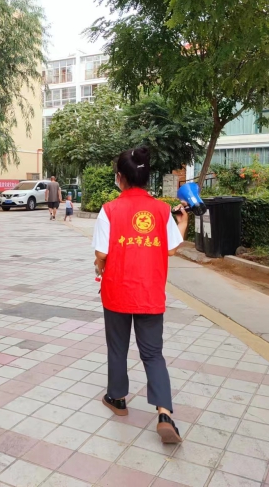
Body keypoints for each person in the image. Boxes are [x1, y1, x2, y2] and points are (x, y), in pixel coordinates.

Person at [92, 146, 188, 443]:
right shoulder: (161, 210)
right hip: (149, 292)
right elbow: (171, 248)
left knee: (117, 348)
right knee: (153, 353)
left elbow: (101, 254)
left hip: (117, 291)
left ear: (120, 177)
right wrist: (183, 223)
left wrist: (99, 264)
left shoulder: (109, 210)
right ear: (147, 178)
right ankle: (164, 413)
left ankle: (118, 399)